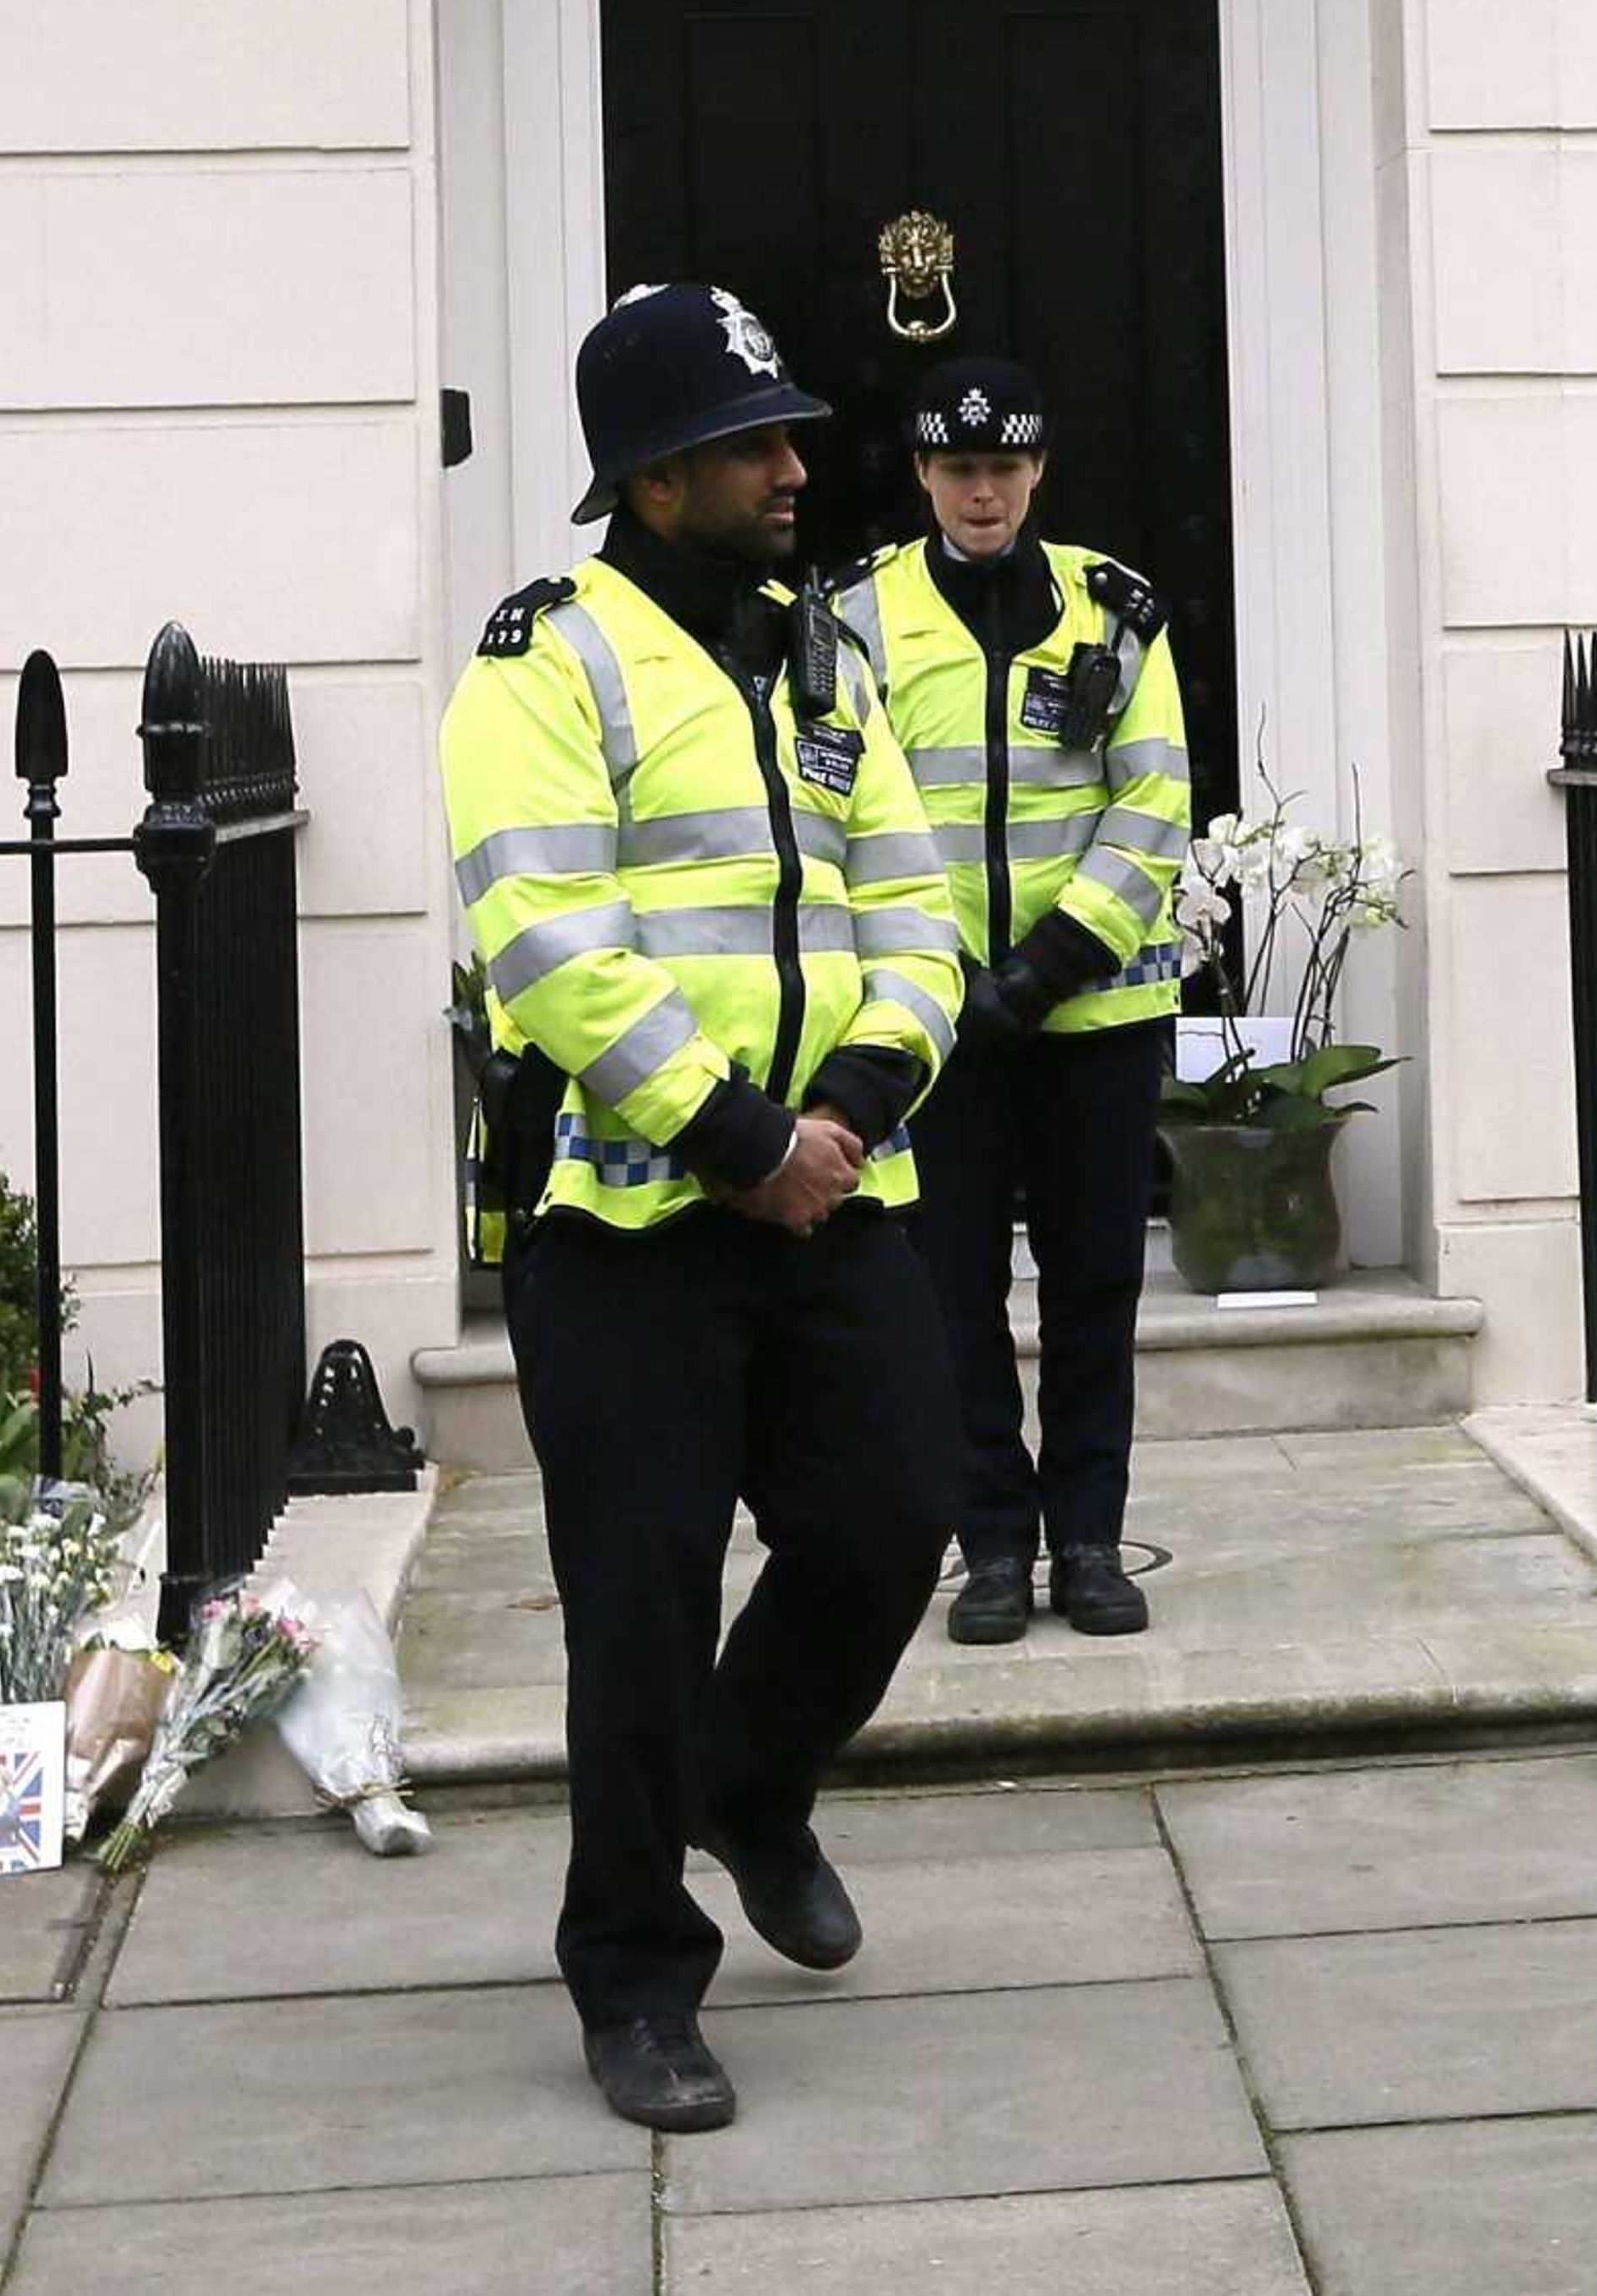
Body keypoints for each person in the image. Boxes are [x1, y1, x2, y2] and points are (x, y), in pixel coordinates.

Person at [439, 283, 968, 2134]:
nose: (795, 465)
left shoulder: (821, 655)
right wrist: (738, 1131)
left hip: (838, 1195)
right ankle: (637, 1977)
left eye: (789, 434)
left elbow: (918, 909)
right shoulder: (545, 658)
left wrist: (858, 1097)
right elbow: (546, 935)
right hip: (635, 1223)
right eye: (755, 441)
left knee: (902, 1517)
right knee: (643, 1603)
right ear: (656, 479)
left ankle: (752, 1784)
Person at [833, 356, 1191, 1644]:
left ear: (1038, 470)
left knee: (1097, 1288)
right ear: (924, 473)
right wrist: (941, 976)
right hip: (937, 1025)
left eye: (1004, 467)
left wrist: (1045, 968)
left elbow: (1153, 804)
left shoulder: (1116, 610)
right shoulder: (859, 617)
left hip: (1088, 1015)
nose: (982, 492)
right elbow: (842, 812)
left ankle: (1091, 1541)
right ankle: (990, 1546)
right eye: (958, 468)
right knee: (952, 1297)